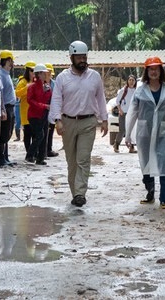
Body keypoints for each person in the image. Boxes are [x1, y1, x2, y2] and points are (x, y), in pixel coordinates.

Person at [49, 40, 108, 208]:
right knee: (72, 161)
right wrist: (57, 121)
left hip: (88, 122)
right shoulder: (62, 78)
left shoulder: (94, 77)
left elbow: (101, 99)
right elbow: (57, 100)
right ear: (72, 57)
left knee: (83, 159)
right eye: (79, 57)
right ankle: (75, 192)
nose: (82, 60)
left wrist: (104, 120)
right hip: (68, 122)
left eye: (84, 56)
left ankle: (80, 193)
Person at [125, 57, 165, 209]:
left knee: (164, 163)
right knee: (145, 163)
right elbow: (132, 113)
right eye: (150, 69)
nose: (153, 72)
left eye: (156, 69)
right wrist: (127, 134)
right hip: (145, 132)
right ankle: (150, 193)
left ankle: (164, 199)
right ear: (146, 72)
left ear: (160, 71)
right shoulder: (140, 91)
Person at [27, 64, 52, 165]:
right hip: (34, 115)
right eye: (44, 73)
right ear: (39, 74)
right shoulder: (32, 87)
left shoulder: (46, 86)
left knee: (44, 134)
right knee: (39, 135)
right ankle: (30, 155)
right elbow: (30, 100)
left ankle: (40, 158)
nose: (46, 75)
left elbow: (49, 98)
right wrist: (43, 106)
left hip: (43, 114)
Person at [0, 50, 17, 167]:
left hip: (11, 107)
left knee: (8, 133)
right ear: (8, 60)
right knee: (3, 133)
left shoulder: (6, 74)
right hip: (6, 107)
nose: (13, 63)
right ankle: (0, 158)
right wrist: (2, 109)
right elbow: (0, 94)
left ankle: (5, 157)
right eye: (12, 61)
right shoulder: (1, 75)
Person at [15, 61, 36, 162]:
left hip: (35, 112)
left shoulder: (37, 81)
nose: (33, 72)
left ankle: (33, 153)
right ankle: (29, 154)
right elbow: (17, 93)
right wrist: (26, 88)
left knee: (36, 134)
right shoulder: (23, 82)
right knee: (27, 134)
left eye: (35, 70)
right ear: (27, 71)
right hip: (26, 112)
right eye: (32, 70)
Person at [114, 75, 137, 153]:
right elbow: (117, 101)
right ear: (127, 81)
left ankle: (132, 147)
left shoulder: (136, 91)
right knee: (122, 130)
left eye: (133, 80)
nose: (131, 82)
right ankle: (117, 144)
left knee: (132, 130)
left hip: (133, 113)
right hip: (123, 113)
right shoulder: (123, 90)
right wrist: (120, 110)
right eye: (130, 80)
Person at [44, 63, 59, 157]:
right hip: (43, 110)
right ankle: (43, 150)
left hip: (52, 110)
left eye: (49, 72)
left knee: (51, 130)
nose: (48, 74)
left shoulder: (55, 83)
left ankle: (49, 149)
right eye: (47, 72)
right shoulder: (41, 83)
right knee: (43, 131)